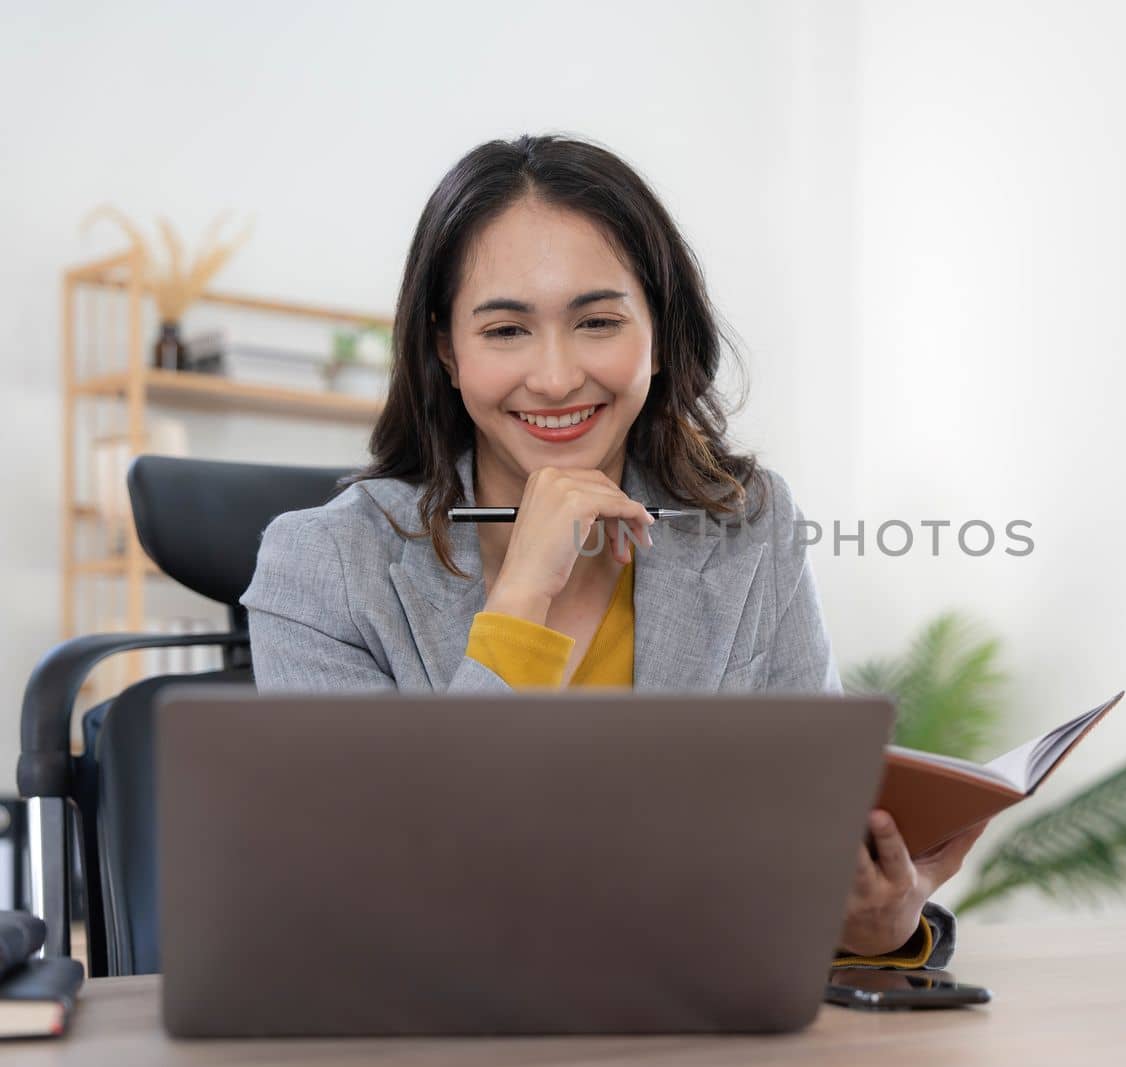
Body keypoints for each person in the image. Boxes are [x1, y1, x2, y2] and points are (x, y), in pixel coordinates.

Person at [239, 134, 985, 969]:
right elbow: (367, 901)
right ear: (447, 351)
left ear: (660, 336)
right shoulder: (322, 565)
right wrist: (521, 599)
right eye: (506, 329)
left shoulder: (749, 530)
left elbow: (806, 861)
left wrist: (877, 931)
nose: (556, 378)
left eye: (597, 322)